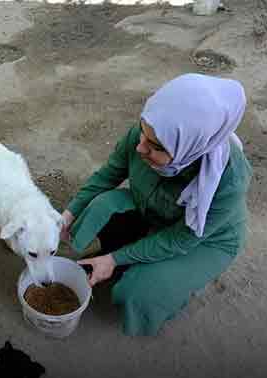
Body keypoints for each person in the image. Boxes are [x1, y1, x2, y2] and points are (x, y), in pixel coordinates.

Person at [60, 73, 253, 336]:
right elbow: (108, 175)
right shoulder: (153, 130)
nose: (140, 148)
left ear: (190, 148)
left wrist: (116, 259)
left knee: (139, 293)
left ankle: (154, 280)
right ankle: (122, 260)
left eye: (154, 146)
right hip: (155, 209)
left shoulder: (228, 179)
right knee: (101, 206)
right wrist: (68, 214)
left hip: (204, 239)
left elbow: (181, 240)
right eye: (142, 134)